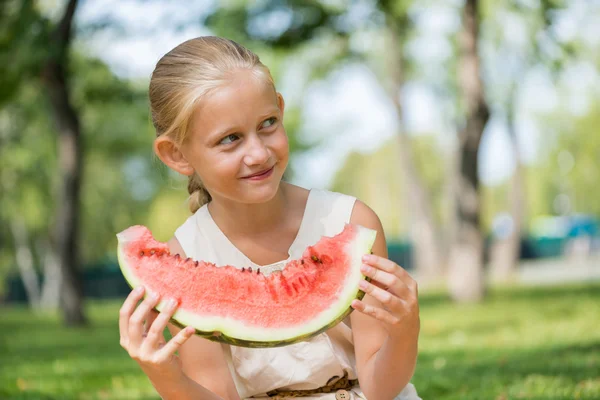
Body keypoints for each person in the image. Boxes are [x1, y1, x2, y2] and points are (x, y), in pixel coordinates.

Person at [118, 36, 421, 400]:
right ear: (177, 155)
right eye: (230, 139)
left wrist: (405, 329)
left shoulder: (351, 223)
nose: (259, 153)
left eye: (268, 124)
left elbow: (380, 387)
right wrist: (165, 375)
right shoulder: (187, 254)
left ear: (280, 109)